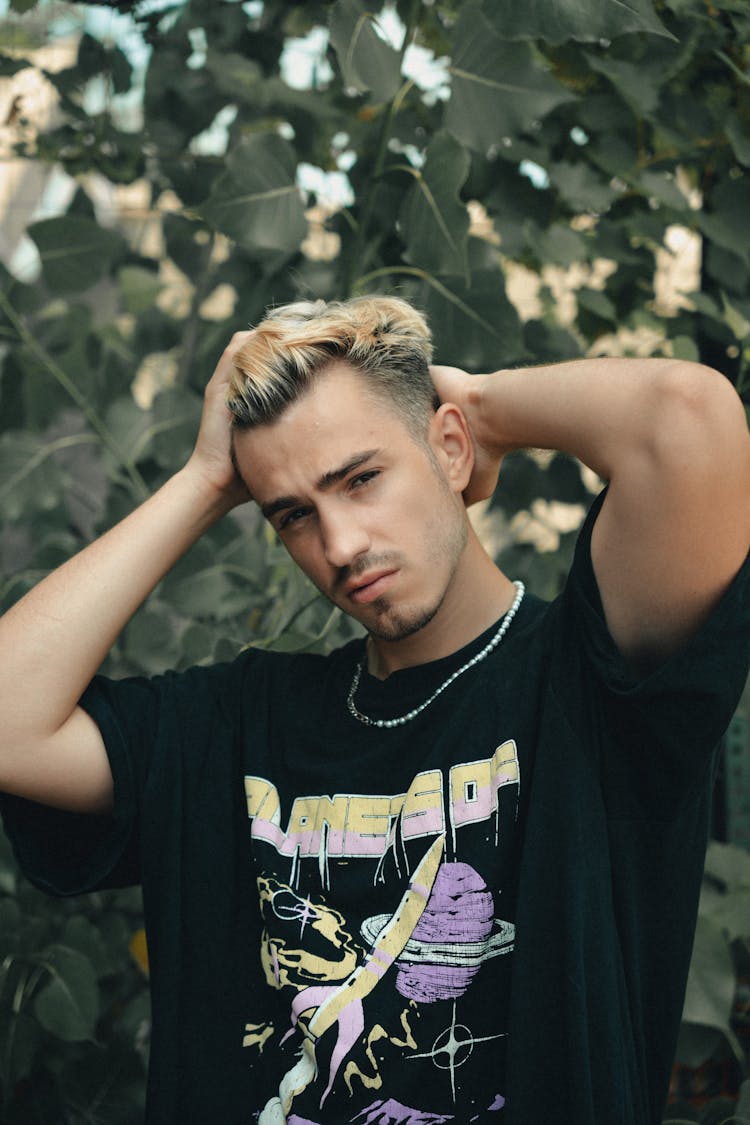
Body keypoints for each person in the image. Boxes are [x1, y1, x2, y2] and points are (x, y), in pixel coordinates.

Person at [0, 294, 748, 1125]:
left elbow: (688, 418)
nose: (341, 544)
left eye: (362, 478)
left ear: (450, 449)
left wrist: (484, 407)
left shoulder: (591, 688)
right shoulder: (242, 722)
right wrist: (204, 480)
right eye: (294, 514)